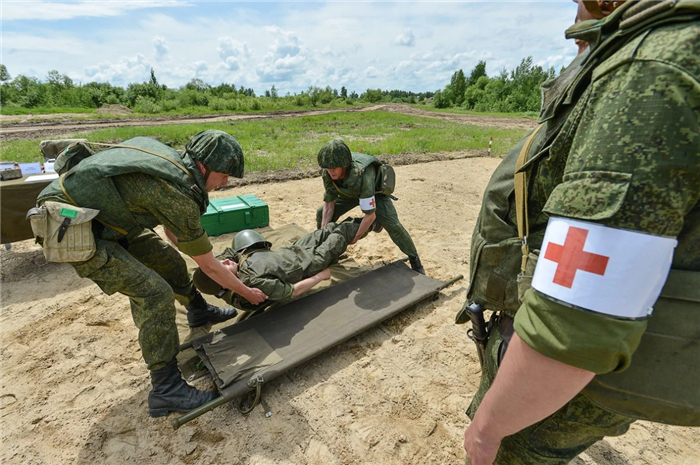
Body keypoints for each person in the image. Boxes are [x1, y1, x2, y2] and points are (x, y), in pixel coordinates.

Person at [463, 1, 699, 464]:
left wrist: (489, 429)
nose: (576, 19)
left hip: (581, 372)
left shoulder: (651, 67)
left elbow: (574, 320)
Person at [34, 130, 268, 418]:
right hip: (75, 229)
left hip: (109, 219)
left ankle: (198, 311)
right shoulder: (176, 192)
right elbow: (207, 265)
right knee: (154, 293)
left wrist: (203, 256)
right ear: (205, 166)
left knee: (168, 261)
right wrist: (247, 292)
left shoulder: (175, 165)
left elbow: (175, 234)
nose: (226, 182)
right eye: (224, 175)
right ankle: (166, 388)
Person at [193, 219, 366, 310]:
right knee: (342, 232)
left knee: (329, 228)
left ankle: (365, 219)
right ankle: (375, 220)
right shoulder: (254, 283)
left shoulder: (235, 271)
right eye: (222, 266)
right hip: (310, 262)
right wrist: (320, 276)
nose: (225, 261)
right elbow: (293, 291)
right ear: (224, 281)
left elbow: (223, 258)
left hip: (295, 249)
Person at [315, 139, 425, 274]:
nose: (331, 171)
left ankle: (415, 260)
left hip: (373, 193)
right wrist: (323, 233)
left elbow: (369, 214)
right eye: (327, 167)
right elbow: (329, 205)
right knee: (321, 213)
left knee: (393, 225)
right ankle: (329, 252)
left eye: (334, 167)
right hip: (350, 192)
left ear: (343, 165)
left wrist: (356, 237)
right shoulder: (328, 172)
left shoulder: (363, 174)